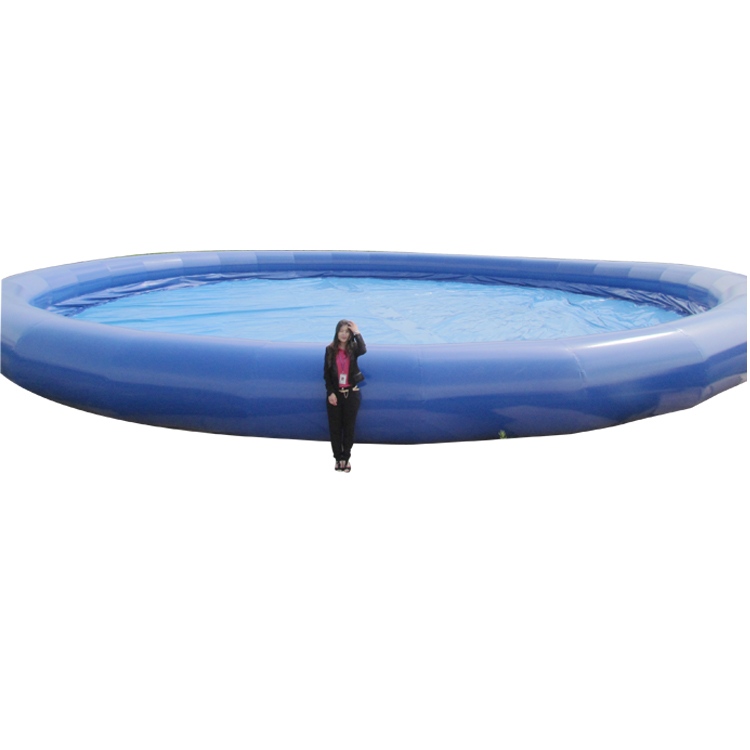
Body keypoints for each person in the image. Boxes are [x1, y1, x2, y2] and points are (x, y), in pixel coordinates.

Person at [324, 319, 366, 472]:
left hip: (351, 393)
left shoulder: (353, 348)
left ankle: (346, 457)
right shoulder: (330, 349)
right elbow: (327, 374)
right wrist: (331, 392)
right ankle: (337, 458)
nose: (343, 334)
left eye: (347, 332)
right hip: (336, 395)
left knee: (349, 428)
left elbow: (363, 349)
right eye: (341, 331)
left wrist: (357, 332)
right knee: (335, 428)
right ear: (336, 333)